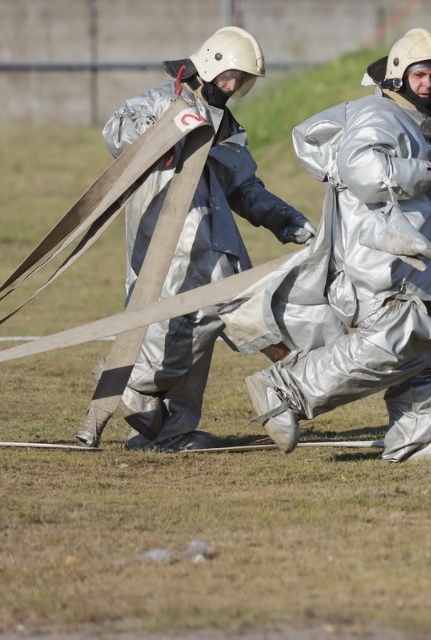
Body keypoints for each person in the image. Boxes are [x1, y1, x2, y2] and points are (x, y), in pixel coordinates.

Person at [233, 28, 431, 462]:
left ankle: (417, 436)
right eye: (421, 74)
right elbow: (361, 168)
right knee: (395, 340)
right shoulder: (379, 113)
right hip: (382, 261)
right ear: (399, 73)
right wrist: (427, 173)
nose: (429, 84)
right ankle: (283, 389)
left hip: (417, 263)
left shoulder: (413, 120)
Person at [100, 26, 316, 452]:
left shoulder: (228, 126)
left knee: (200, 342)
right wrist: (168, 124)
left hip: (218, 256)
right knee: (166, 341)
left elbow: (245, 188)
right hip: (164, 257)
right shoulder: (160, 101)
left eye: (243, 81)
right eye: (232, 75)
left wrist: (288, 221)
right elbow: (116, 135)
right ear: (212, 63)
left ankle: (173, 432)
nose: (234, 87)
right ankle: (128, 395)